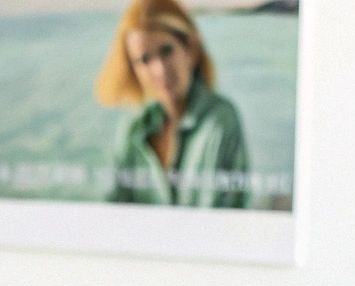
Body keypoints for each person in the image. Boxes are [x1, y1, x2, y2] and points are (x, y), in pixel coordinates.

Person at [96, 0, 249, 208]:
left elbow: (228, 213)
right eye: (144, 59)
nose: (160, 70)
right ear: (133, 69)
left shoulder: (220, 121)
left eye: (166, 51)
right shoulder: (132, 128)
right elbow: (113, 207)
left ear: (191, 49)